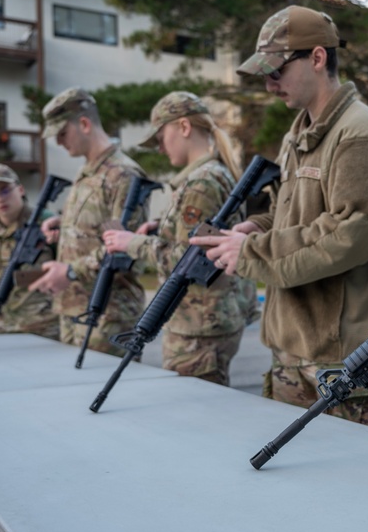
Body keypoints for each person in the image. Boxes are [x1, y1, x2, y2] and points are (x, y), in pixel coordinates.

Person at [191, 6, 368, 431]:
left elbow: (351, 234)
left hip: (343, 357)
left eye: (277, 71)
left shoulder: (361, 134)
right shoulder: (300, 133)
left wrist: (252, 251)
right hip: (292, 347)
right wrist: (256, 227)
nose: (270, 85)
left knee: (354, 485)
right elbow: (292, 212)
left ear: (318, 58)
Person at [102, 92, 259, 385]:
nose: (160, 149)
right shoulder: (210, 174)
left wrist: (129, 243)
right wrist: (159, 229)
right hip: (204, 319)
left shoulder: (201, 182)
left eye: (160, 137)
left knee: (195, 416)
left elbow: (185, 258)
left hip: (199, 326)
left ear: (184, 127)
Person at [29, 87, 148, 355]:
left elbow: (124, 248)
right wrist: (63, 225)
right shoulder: (87, 171)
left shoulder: (123, 174)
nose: (58, 142)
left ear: (84, 124)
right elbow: (97, 228)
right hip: (73, 309)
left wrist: (69, 271)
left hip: (107, 316)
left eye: (62, 134)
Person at [0, 164, 59, 339]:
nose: (0, 199)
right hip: (1, 325)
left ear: (20, 190)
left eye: (5, 190)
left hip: (46, 326)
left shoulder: (47, 224)